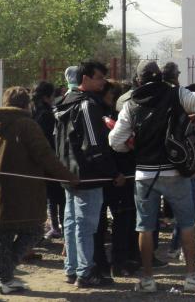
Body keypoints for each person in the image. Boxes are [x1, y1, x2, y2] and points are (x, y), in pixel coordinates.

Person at [108, 60, 195, 293]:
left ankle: (147, 279)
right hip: (176, 170)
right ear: (161, 76)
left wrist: (132, 148)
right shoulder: (176, 93)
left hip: (144, 173)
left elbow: (116, 141)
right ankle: (191, 277)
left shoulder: (130, 103)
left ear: (138, 79)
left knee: (144, 227)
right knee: (186, 224)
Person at [0, 87, 78, 294]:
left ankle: (5, 278)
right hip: (24, 190)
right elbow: (45, 155)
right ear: (25, 103)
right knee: (34, 230)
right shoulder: (27, 124)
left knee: (4, 235)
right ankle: (6, 272)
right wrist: (69, 177)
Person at [54, 59, 124, 288]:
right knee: (86, 225)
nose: (103, 82)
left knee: (72, 222)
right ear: (86, 79)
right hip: (87, 175)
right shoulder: (86, 105)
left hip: (67, 172)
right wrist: (113, 172)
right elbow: (94, 144)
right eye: (100, 78)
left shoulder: (64, 102)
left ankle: (72, 269)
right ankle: (85, 272)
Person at [93, 79, 139, 278]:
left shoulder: (105, 115)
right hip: (117, 175)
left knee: (117, 221)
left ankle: (110, 262)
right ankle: (116, 263)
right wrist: (115, 172)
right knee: (120, 221)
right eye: (111, 96)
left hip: (115, 174)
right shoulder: (103, 117)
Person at [31, 81, 65, 240]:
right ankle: (60, 228)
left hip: (37, 162)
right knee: (59, 196)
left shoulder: (32, 111)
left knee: (49, 198)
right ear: (46, 97)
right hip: (49, 160)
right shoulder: (47, 115)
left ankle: (53, 226)